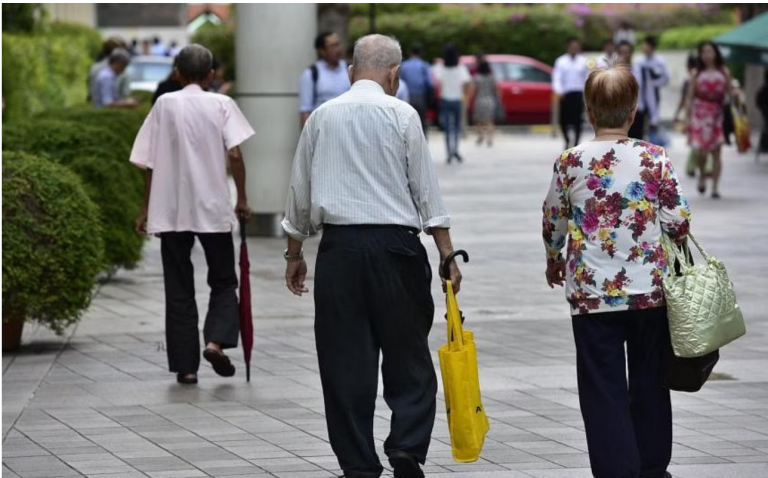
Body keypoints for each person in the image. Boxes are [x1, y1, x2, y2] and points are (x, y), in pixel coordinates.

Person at [282, 34, 460, 478]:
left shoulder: (321, 117)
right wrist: (446, 253)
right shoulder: (402, 114)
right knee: (409, 356)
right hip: (397, 248)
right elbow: (425, 189)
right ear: (394, 74)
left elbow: (299, 193)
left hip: (339, 251)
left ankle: (358, 463)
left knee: (344, 362)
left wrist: (293, 253)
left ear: (350, 72)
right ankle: (406, 446)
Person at [543, 64, 690, 478]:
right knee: (650, 382)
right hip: (650, 290)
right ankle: (651, 467)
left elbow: (553, 218)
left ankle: (615, 470)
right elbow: (678, 221)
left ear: (589, 111)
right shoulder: (654, 157)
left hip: (592, 293)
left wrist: (554, 257)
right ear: (633, 111)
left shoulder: (569, 161)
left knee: (601, 387)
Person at [130, 44, 255, 385]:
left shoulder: (163, 105)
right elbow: (236, 156)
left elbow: (149, 162)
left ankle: (186, 367)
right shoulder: (222, 104)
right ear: (211, 74)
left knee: (178, 287)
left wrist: (145, 209)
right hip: (212, 207)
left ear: (178, 73)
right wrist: (241, 198)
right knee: (224, 281)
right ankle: (215, 341)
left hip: (171, 210)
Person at [685, 41, 732, 199]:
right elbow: (689, 97)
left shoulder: (724, 71)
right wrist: (687, 118)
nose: (707, 55)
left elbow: (730, 92)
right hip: (701, 113)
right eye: (704, 52)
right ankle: (702, 175)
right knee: (702, 151)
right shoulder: (696, 73)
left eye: (710, 51)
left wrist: (737, 95)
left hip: (718, 113)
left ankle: (715, 188)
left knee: (717, 151)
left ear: (716, 53)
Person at [298, 32, 351, 127]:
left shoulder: (349, 68)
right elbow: (305, 109)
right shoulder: (312, 73)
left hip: (348, 126)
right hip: (323, 128)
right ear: (321, 51)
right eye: (333, 46)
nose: (338, 49)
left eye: (338, 44)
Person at [434, 43, 471, 163]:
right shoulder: (461, 68)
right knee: (456, 127)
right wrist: (465, 96)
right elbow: (466, 83)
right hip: (457, 99)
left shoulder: (441, 68)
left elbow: (437, 81)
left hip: (445, 99)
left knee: (447, 128)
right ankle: (455, 149)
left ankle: (449, 152)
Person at [552, 37, 588, 149]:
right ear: (567, 47)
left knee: (578, 120)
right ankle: (567, 140)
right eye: (572, 47)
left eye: (576, 47)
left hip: (578, 93)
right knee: (563, 120)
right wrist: (559, 91)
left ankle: (576, 142)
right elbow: (557, 77)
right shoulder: (561, 61)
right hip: (565, 94)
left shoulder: (583, 61)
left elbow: (586, 78)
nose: (574, 49)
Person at [638, 36, 670, 138]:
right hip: (641, 94)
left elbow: (665, 77)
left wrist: (654, 83)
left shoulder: (659, 61)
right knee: (641, 120)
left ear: (651, 47)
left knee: (653, 119)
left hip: (653, 93)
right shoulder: (640, 61)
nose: (643, 48)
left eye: (645, 46)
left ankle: (653, 142)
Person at [399, 43, 434, 135]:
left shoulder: (404, 65)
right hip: (420, 97)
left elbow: (400, 83)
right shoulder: (424, 65)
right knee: (422, 122)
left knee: (407, 122)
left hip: (407, 97)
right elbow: (430, 83)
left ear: (410, 52)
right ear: (421, 52)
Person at [472, 60, 498, 147]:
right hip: (490, 100)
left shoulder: (476, 78)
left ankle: (480, 136)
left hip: (479, 100)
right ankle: (490, 139)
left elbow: (473, 89)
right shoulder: (492, 77)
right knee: (489, 121)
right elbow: (496, 90)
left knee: (479, 121)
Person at [757, 69, 768, 153]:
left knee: (765, 127)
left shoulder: (762, 89)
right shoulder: (763, 90)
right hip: (765, 111)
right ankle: (764, 145)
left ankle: (763, 145)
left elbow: (758, 103)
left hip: (764, 111)